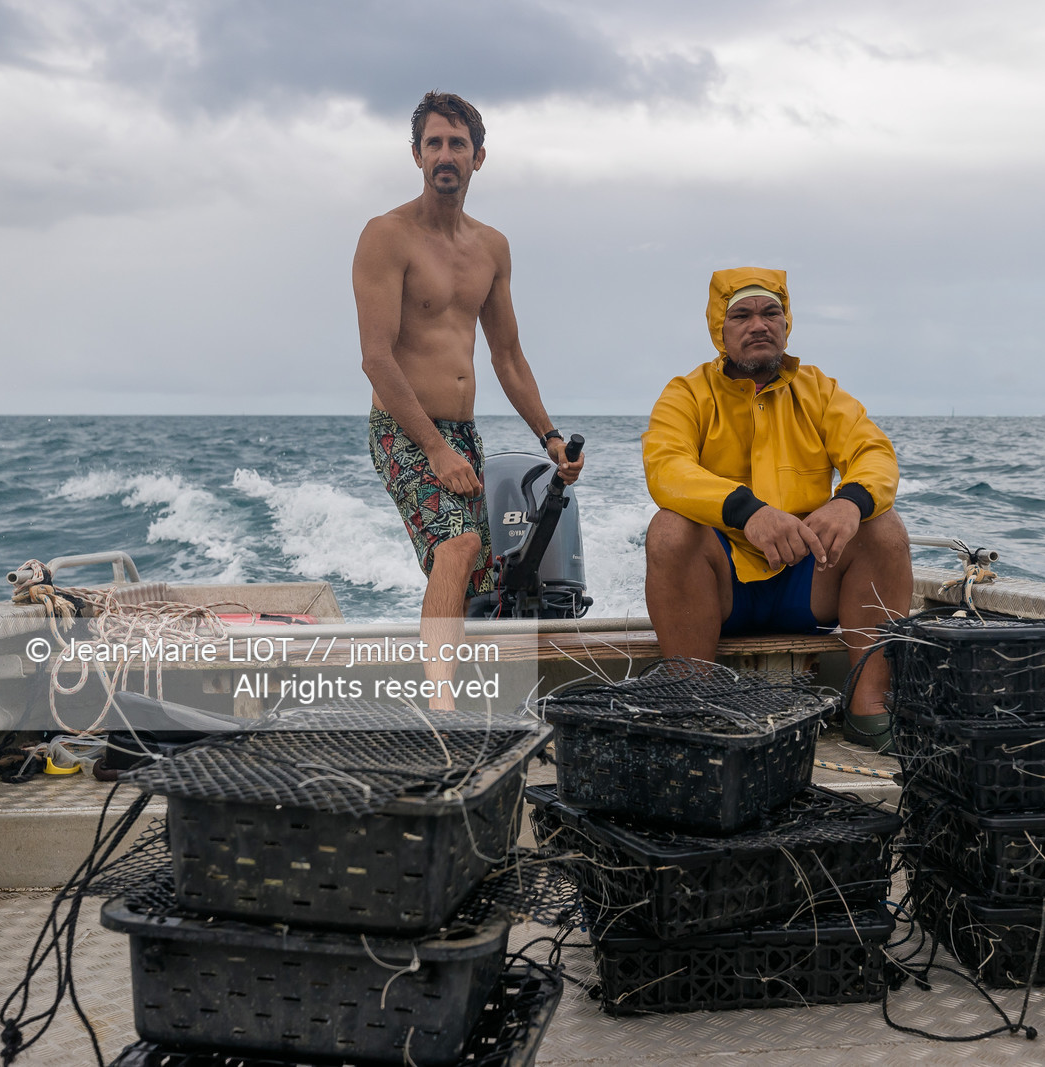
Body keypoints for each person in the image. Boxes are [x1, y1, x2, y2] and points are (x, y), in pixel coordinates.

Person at [353, 90, 583, 707]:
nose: (445, 155)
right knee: (456, 545)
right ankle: (441, 712)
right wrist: (432, 448)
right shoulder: (386, 236)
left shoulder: (491, 248)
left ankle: (466, 691)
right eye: (435, 143)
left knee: (480, 567)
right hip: (404, 427)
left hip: (462, 433)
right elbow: (376, 359)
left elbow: (507, 356)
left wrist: (550, 438)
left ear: (479, 158)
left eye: (458, 144)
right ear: (416, 154)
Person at [641, 267, 912, 750]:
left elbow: (873, 452)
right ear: (719, 331)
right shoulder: (686, 393)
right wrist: (747, 512)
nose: (758, 324)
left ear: (787, 325)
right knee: (669, 529)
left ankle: (869, 710)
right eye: (741, 315)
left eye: (771, 313)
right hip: (720, 592)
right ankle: (693, 704)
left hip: (809, 583)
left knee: (882, 526)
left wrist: (849, 502)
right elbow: (666, 469)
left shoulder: (821, 391)